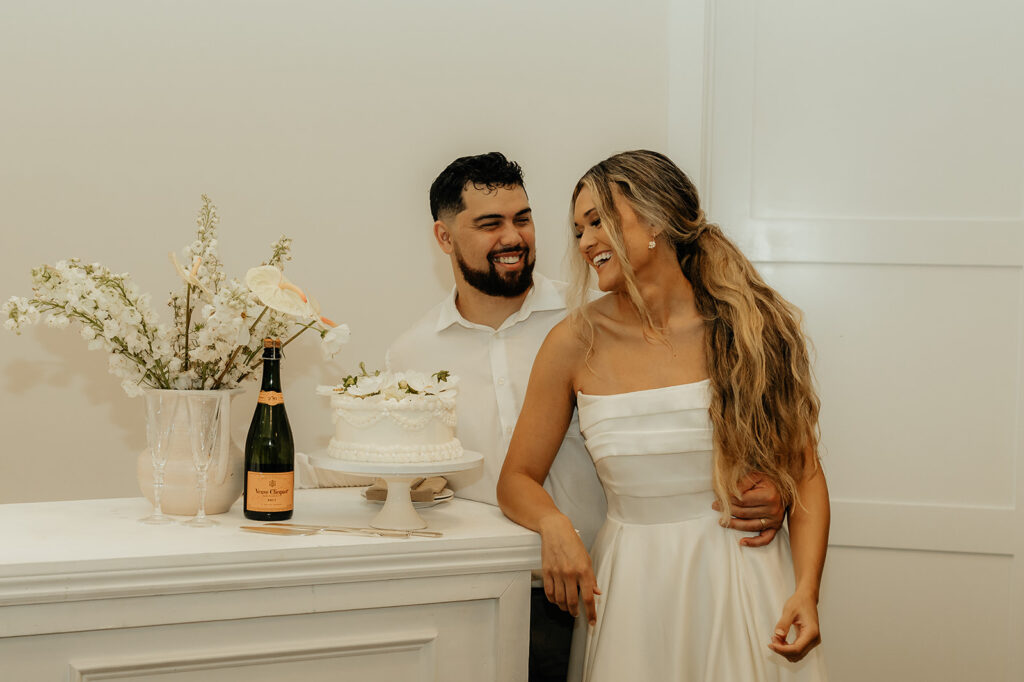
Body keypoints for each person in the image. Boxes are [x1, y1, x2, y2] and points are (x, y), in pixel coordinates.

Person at [388, 152, 789, 682]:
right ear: (444, 237)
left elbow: (722, 433)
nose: (513, 237)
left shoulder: (590, 314)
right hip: (480, 590)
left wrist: (774, 492)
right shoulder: (411, 357)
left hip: (603, 586)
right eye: (490, 224)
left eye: (522, 219)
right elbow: (423, 485)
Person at [496, 150, 830, 681]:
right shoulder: (572, 342)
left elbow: (806, 471)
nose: (584, 243)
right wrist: (552, 524)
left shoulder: (749, 326)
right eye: (578, 229)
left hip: (743, 580)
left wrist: (806, 591)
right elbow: (515, 479)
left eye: (598, 221)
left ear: (655, 219)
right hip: (631, 588)